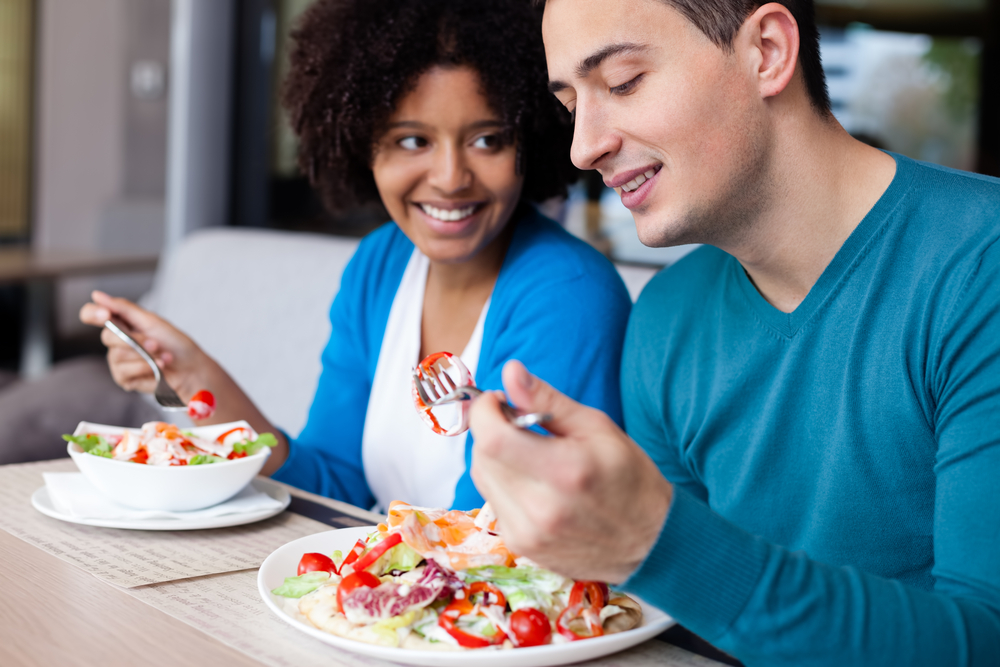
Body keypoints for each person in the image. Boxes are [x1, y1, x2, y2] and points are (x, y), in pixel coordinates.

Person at [468, 1, 1000, 665]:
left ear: (768, 52)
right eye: (572, 103)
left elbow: (987, 639)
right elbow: (682, 629)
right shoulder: (665, 319)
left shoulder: (982, 266)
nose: (584, 146)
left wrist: (655, 541)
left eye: (624, 81)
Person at [80, 0, 631, 513]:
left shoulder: (567, 295)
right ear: (360, 145)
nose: (449, 179)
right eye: (413, 141)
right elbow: (329, 487)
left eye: (487, 140)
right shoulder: (380, 265)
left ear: (529, 143)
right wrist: (194, 371)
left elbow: (497, 535)